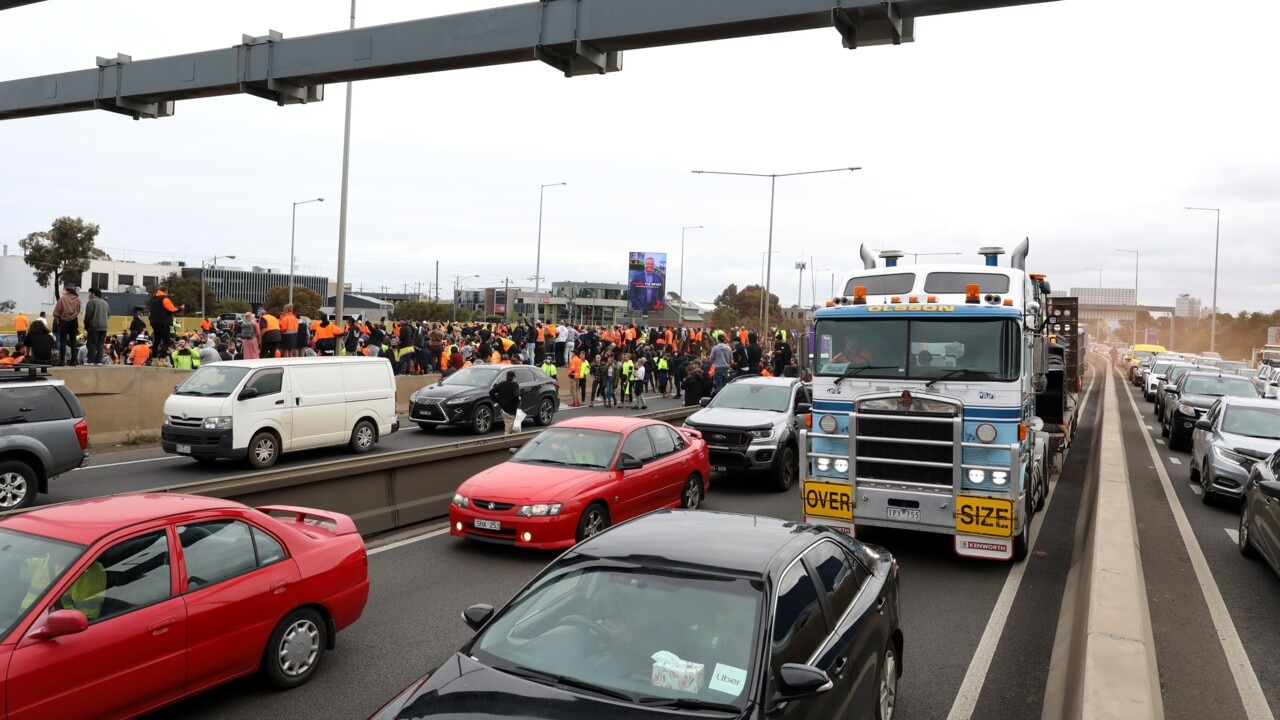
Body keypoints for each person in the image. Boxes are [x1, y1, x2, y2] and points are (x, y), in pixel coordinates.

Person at [52, 286, 81, 366]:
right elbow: (78, 310)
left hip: (63, 321)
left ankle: (62, 361)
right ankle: (74, 360)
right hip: (74, 321)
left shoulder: (62, 299)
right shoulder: (77, 299)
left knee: (63, 341)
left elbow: (57, 312)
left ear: (67, 291)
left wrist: (59, 317)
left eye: (64, 290)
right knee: (73, 341)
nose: (63, 292)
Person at [488, 369, 523, 436]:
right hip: (512, 410)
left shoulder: (502, 384)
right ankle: (509, 442)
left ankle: (510, 439)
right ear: (513, 377)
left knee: (509, 426)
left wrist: (497, 401)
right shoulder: (515, 385)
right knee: (512, 429)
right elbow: (516, 395)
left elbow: (491, 392)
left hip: (504, 409)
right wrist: (518, 401)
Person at [149, 286, 182, 350]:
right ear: (166, 291)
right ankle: (162, 359)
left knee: (156, 341)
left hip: (154, 322)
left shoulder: (152, 299)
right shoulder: (165, 298)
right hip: (164, 323)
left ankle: (154, 358)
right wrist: (181, 308)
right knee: (166, 341)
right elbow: (172, 309)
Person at [83, 287, 110, 365]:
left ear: (93, 294)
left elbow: (88, 316)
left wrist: (86, 325)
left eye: (89, 293)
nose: (88, 295)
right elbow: (108, 314)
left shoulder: (91, 302)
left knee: (91, 344)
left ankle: (90, 360)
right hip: (104, 327)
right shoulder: (105, 303)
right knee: (100, 344)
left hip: (94, 326)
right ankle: (99, 361)